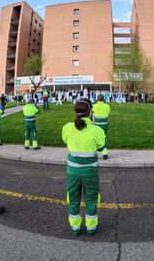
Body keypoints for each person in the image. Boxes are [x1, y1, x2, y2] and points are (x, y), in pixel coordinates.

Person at [62, 98, 105, 236]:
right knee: (91, 199)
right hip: (90, 172)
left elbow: (65, 140)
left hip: (72, 171)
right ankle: (91, 228)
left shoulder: (67, 127)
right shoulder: (97, 130)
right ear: (90, 112)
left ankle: (75, 228)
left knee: (73, 199)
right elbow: (101, 147)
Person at [93, 95, 111, 160]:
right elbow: (108, 112)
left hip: (96, 124)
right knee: (104, 138)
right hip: (104, 124)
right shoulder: (107, 106)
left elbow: (92, 114)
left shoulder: (94, 106)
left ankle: (96, 153)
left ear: (97, 99)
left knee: (96, 139)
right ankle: (105, 153)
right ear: (104, 99)